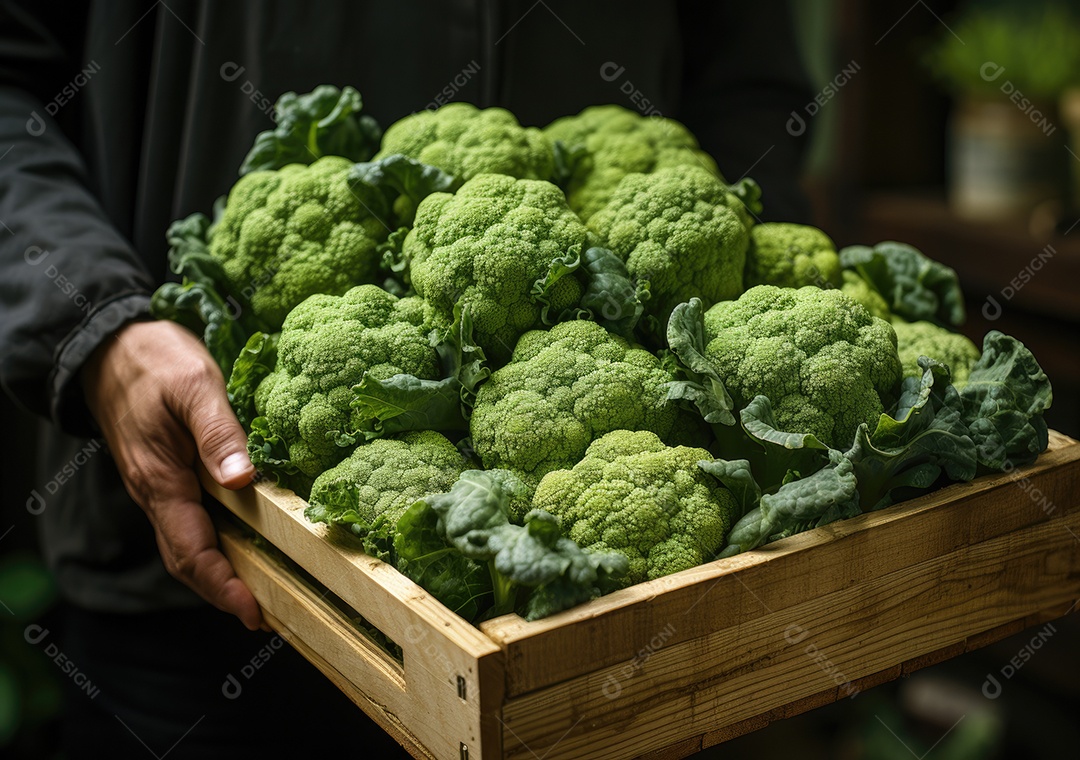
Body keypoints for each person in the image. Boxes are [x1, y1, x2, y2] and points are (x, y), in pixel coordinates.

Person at [0, 1, 813, 755]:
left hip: (607, 634)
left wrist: (727, 252)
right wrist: (96, 326)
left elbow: (747, 79)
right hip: (195, 574)